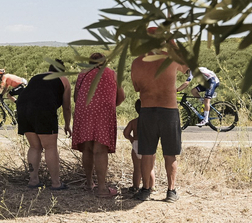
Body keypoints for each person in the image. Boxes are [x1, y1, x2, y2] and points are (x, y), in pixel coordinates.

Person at [131, 39, 188, 202]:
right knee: (170, 153)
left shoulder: (137, 62)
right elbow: (187, 67)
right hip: (169, 110)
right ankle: (171, 191)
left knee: (147, 152)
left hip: (147, 110)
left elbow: (137, 87)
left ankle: (146, 189)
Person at [71, 53, 125, 198]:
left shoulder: (82, 74)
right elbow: (122, 96)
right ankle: (102, 188)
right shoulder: (112, 74)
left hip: (84, 112)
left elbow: (76, 98)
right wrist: (111, 104)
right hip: (104, 112)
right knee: (100, 150)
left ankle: (89, 183)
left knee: (87, 148)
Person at [15, 60, 72, 190]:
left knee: (35, 146)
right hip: (43, 109)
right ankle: (56, 183)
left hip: (23, 107)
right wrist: (67, 124)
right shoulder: (63, 79)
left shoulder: (36, 77)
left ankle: (33, 180)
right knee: (50, 147)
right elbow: (67, 106)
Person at [122, 100, 153, 193]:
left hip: (136, 144)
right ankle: (151, 186)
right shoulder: (150, 122)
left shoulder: (133, 122)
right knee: (150, 167)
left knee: (137, 168)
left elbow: (126, 133)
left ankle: (135, 186)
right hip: (148, 144)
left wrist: (132, 139)